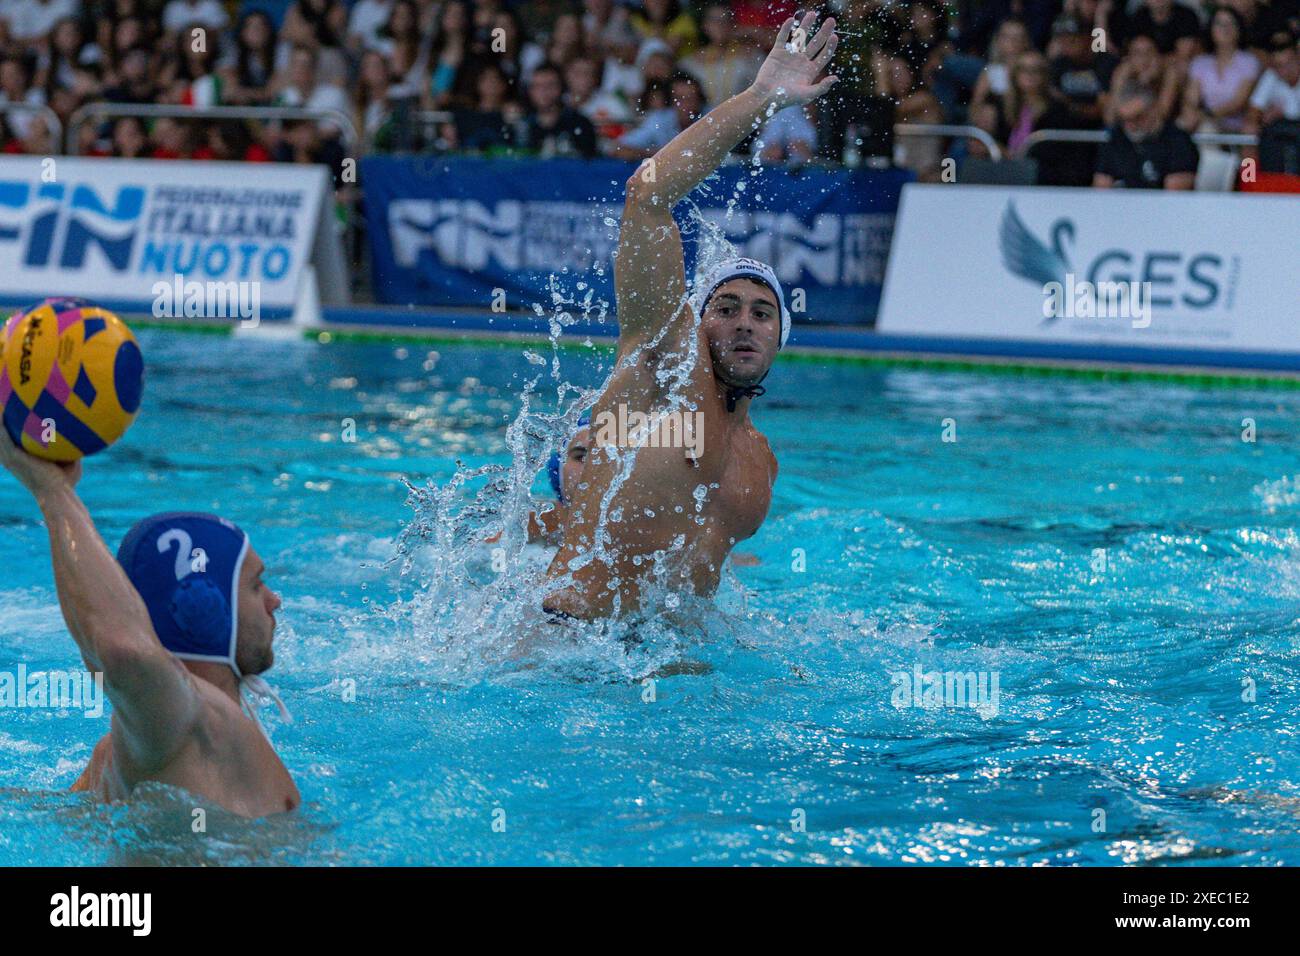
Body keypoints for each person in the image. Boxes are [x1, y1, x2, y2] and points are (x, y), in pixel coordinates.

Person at [541, 11, 837, 620]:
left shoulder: (760, 462)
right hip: (561, 652)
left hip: (668, 670)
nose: (744, 323)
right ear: (698, 322)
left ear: (782, 335)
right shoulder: (662, 367)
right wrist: (760, 99)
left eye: (762, 312)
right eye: (724, 308)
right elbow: (647, 194)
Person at [0, 440, 298, 818]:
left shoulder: (117, 750)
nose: (274, 600)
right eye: (256, 585)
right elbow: (120, 649)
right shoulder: (194, 723)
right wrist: (51, 490)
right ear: (203, 606)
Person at [1094, 79, 1198, 187]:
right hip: (1120, 203)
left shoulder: (1178, 140)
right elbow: (1102, 187)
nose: (1130, 125)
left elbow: (1175, 192)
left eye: (1137, 117)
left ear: (1154, 109)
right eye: (1124, 119)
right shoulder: (1116, 137)